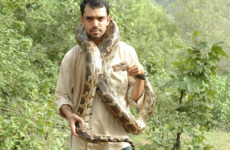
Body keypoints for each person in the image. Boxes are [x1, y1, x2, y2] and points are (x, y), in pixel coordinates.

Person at [55, 0, 147, 149]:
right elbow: (62, 96)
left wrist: (141, 77)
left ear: (108, 20)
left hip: (118, 144)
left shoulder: (127, 52)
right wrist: (69, 114)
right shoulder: (71, 57)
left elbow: (134, 100)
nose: (95, 24)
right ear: (82, 20)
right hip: (82, 144)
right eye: (89, 18)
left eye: (100, 18)